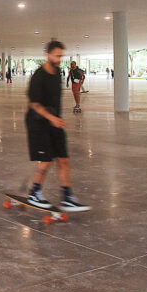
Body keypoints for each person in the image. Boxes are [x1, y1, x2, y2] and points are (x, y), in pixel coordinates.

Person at [22, 41, 90, 212]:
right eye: (56, 56)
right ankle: (34, 193)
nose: (59, 59)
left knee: (63, 159)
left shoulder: (58, 73)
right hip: (38, 122)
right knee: (46, 160)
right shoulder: (38, 76)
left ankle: (67, 197)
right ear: (47, 55)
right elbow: (34, 104)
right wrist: (51, 118)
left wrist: (56, 119)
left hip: (55, 122)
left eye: (61, 56)